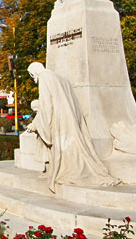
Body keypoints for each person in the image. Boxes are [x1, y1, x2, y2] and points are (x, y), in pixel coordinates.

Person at [26, 62, 119, 192]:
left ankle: (65, 170)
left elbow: (46, 105)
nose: (33, 79)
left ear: (34, 72)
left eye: (31, 75)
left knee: (64, 150)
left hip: (59, 120)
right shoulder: (59, 78)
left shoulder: (44, 77)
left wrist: (37, 125)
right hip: (70, 118)